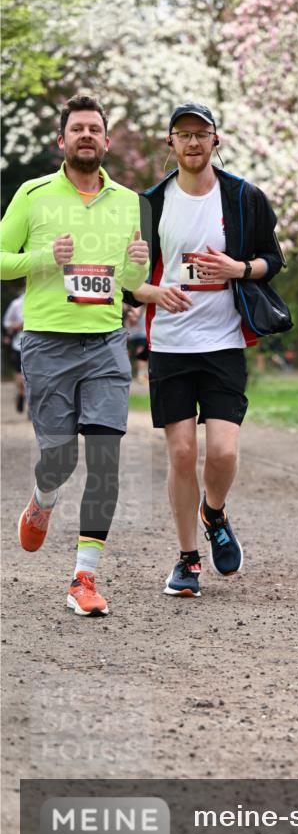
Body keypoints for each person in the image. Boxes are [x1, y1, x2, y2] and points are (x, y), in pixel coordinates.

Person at [0, 93, 149, 616]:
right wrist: (45, 257)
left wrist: (137, 269)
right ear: (61, 141)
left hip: (107, 342)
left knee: (105, 461)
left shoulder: (132, 203)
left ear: (107, 142)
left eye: (95, 129)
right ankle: (42, 500)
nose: (86, 136)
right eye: (77, 129)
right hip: (47, 343)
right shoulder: (33, 194)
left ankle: (84, 578)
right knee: (60, 460)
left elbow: (130, 284)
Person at [130, 102, 283, 597]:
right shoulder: (149, 203)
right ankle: (187, 559)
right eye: (183, 134)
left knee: (222, 450)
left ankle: (213, 511)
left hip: (223, 342)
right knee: (180, 453)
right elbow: (128, 280)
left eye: (202, 134)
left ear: (216, 140)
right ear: (169, 143)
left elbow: (271, 259)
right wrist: (153, 292)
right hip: (171, 344)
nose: (193, 143)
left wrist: (238, 269)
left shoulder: (243, 197)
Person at [2, 286, 26, 412]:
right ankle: (21, 395)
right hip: (19, 344)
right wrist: (17, 326)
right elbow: (6, 322)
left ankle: (31, 407)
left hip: (38, 344)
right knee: (19, 376)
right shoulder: (17, 304)